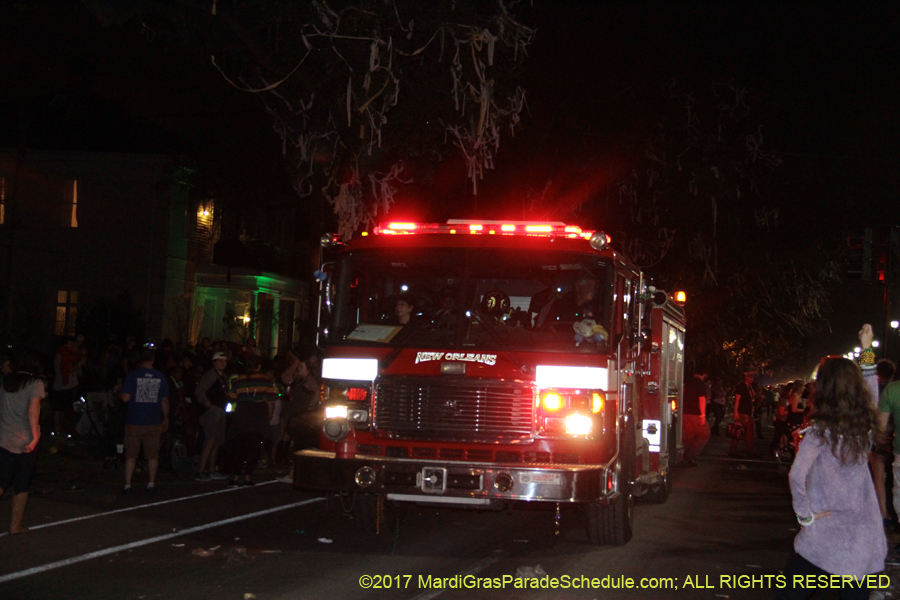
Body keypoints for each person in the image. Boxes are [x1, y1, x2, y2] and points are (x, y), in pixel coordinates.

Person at [776, 357, 885, 600]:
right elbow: (873, 396)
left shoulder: (819, 433)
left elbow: (796, 475)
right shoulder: (864, 429)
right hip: (860, 533)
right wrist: (867, 351)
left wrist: (804, 515)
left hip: (823, 532)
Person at [0, 355, 44, 534]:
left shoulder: (6, 382)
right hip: (24, 438)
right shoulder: (35, 383)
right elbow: (33, 410)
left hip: (4, 436)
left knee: (2, 478)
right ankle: (15, 525)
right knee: (22, 482)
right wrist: (34, 437)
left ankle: (15, 526)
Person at [119, 348, 169, 495]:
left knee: (131, 455)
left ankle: (128, 484)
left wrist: (117, 392)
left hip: (134, 420)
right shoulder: (160, 376)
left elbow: (126, 397)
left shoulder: (133, 375)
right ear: (152, 359)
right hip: (153, 421)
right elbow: (164, 399)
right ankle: (151, 483)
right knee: (153, 455)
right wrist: (165, 418)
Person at [224, 356, 278, 486]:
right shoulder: (266, 380)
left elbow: (231, 397)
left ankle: (235, 477)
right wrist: (269, 416)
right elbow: (271, 401)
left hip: (242, 414)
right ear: (259, 366)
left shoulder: (238, 380)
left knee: (239, 446)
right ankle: (248, 477)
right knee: (253, 447)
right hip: (258, 414)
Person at [194, 351, 229, 480]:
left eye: (224, 361)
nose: (223, 363)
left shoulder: (223, 376)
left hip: (221, 411)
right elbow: (199, 390)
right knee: (210, 440)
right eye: (220, 361)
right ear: (214, 363)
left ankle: (211, 470)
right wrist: (209, 406)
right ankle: (201, 471)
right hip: (213, 412)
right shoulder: (211, 375)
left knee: (217, 441)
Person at [51, 336, 86, 437]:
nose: (72, 346)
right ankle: (57, 429)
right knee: (59, 409)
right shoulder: (61, 354)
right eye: (71, 343)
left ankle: (61, 428)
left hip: (68, 385)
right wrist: (79, 364)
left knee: (64, 409)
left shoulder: (69, 354)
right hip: (62, 386)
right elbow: (66, 370)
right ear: (66, 344)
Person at [679, 370, 709, 467]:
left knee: (688, 436)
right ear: (704, 374)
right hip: (695, 413)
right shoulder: (701, 384)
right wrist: (703, 415)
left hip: (684, 412)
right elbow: (702, 399)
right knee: (704, 433)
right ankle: (691, 455)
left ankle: (683, 457)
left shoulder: (686, 382)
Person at [728, 371, 758, 458]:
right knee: (743, 431)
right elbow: (737, 400)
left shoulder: (749, 387)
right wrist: (735, 413)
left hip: (747, 412)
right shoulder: (741, 386)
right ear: (746, 378)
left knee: (743, 431)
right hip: (743, 412)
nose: (752, 379)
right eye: (750, 377)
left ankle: (735, 450)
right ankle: (748, 451)